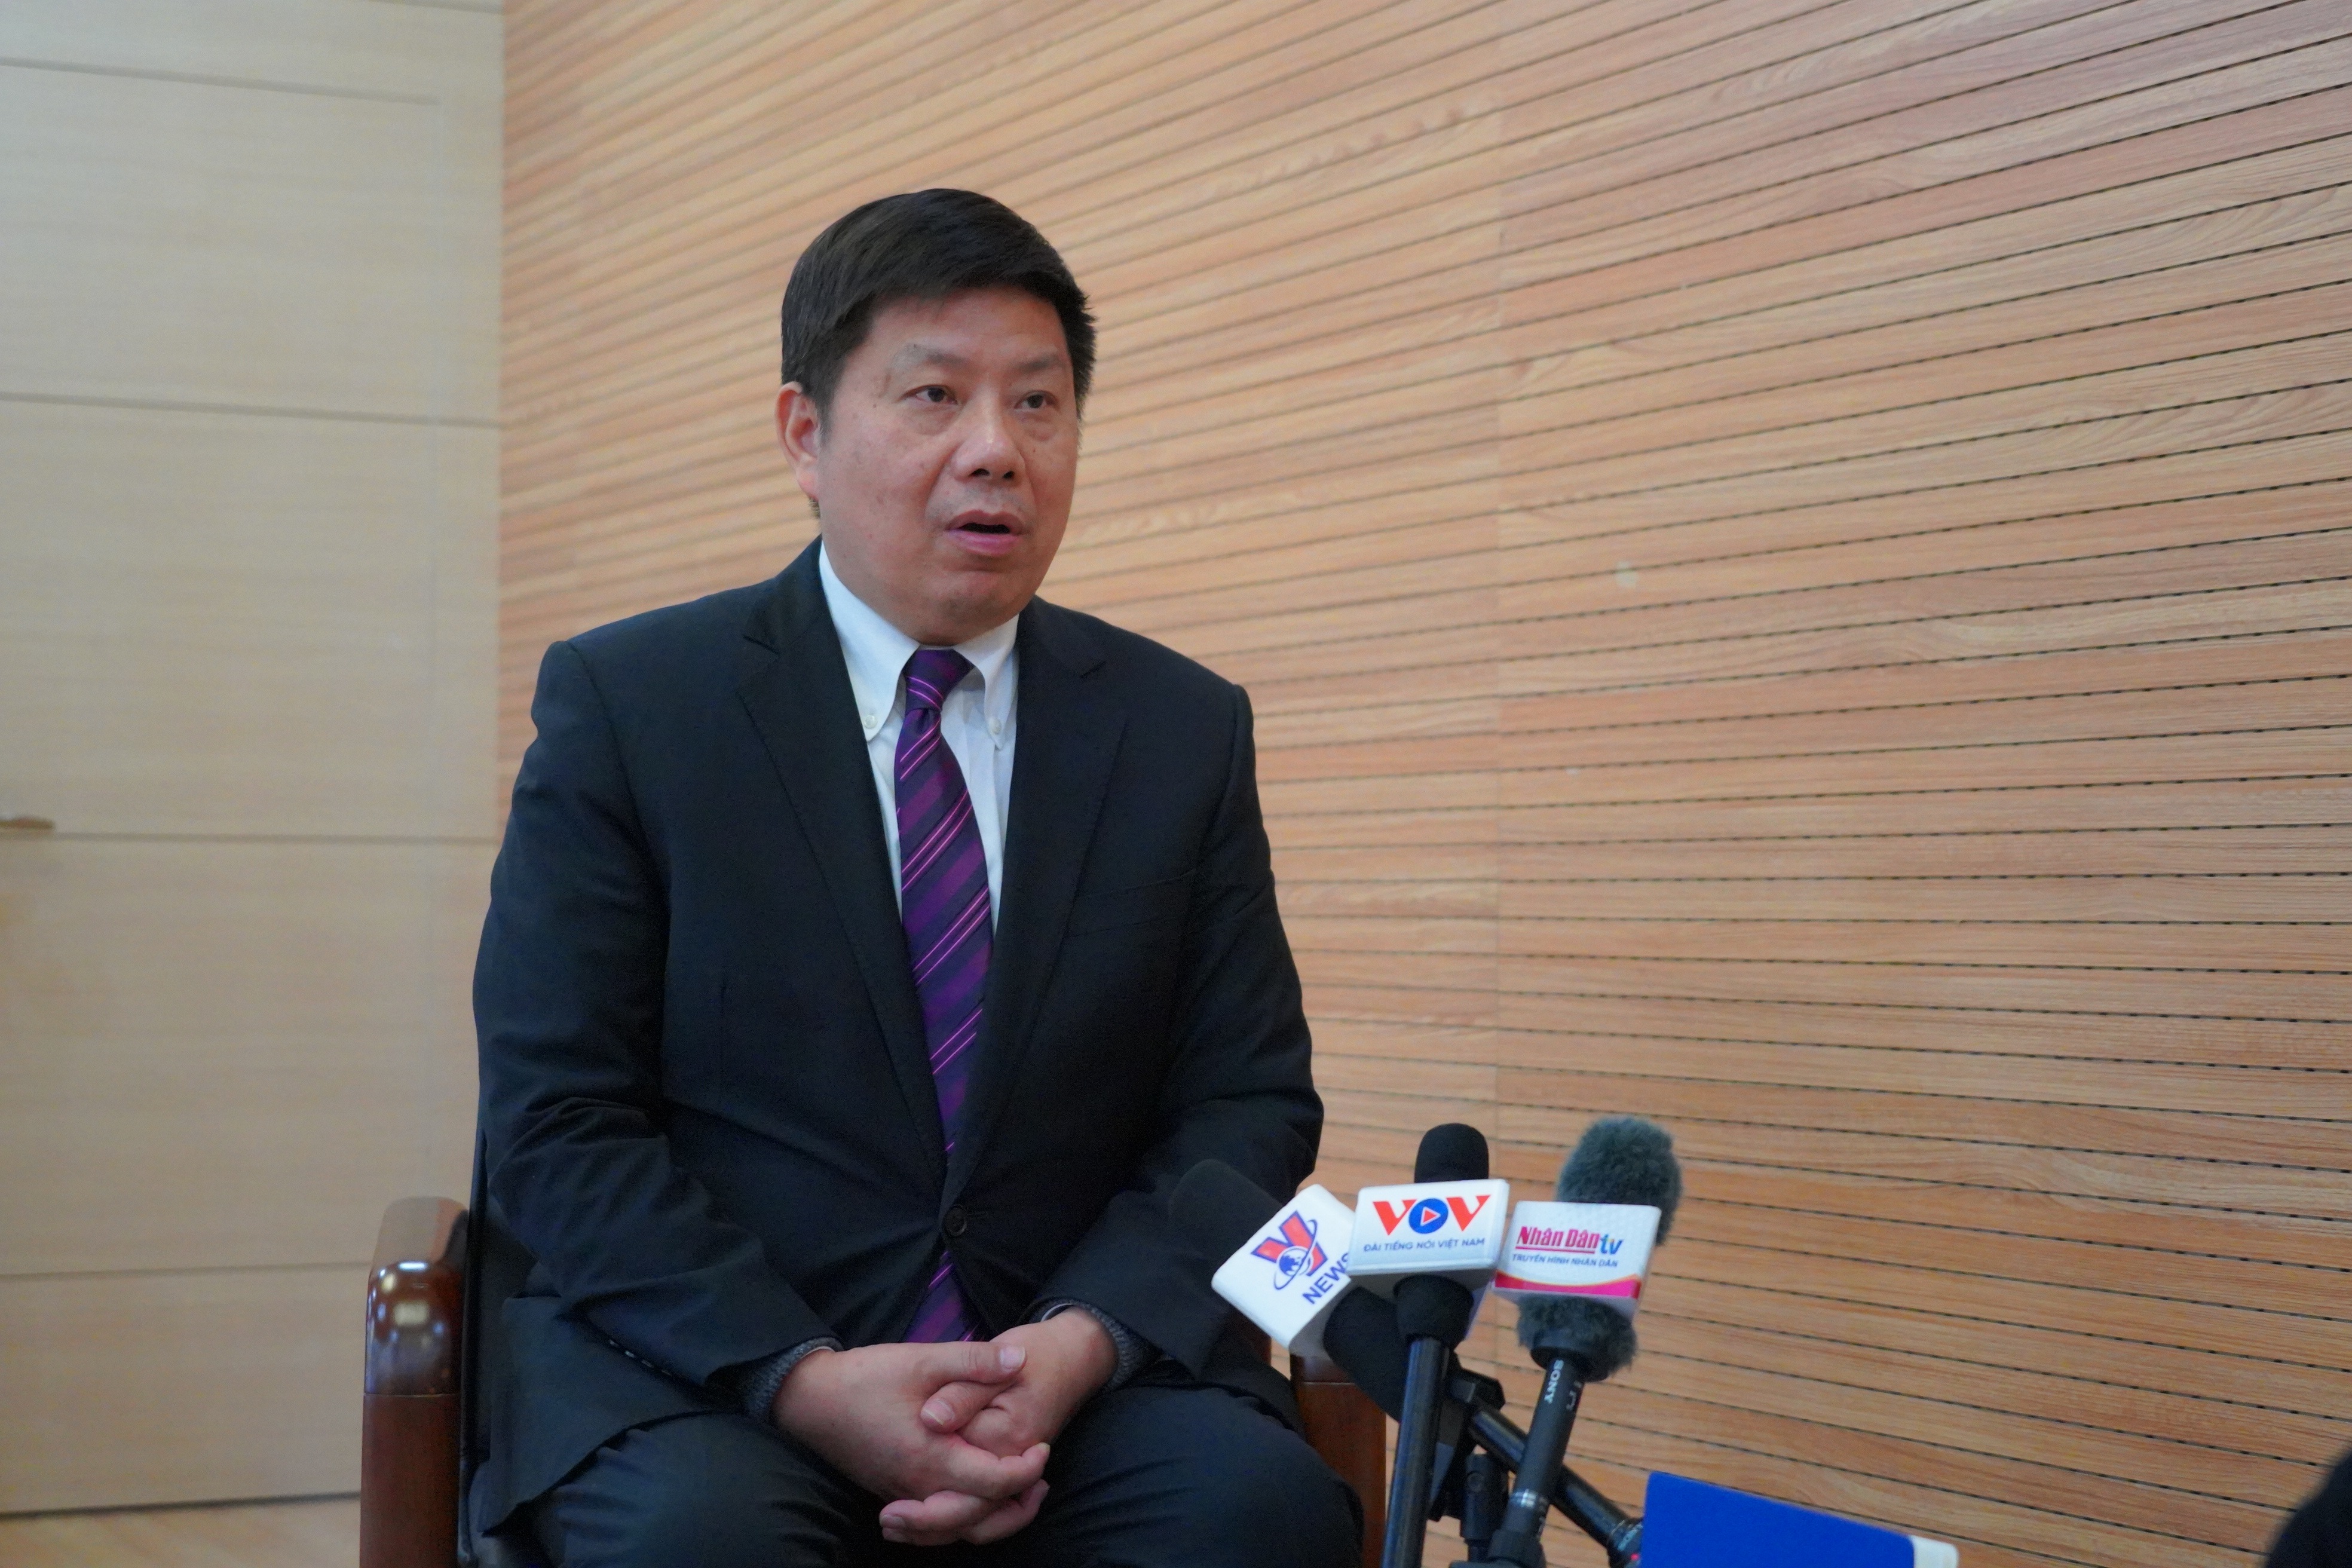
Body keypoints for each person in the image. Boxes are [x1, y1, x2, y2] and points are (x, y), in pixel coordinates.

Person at [468, 189, 1361, 1567]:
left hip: (1068, 1375)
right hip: (710, 1373)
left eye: (1039, 403)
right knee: (701, 1544)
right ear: (805, 435)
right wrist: (803, 1377)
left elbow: (1245, 1100)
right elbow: (558, 1116)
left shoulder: (1179, 729)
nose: (996, 449)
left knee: (1258, 1517)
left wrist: (1076, 1345)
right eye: (936, 396)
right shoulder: (634, 706)